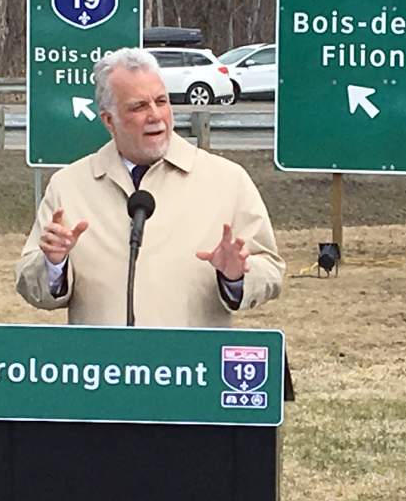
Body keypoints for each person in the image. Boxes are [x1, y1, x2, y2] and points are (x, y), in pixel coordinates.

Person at [16, 47, 284, 324]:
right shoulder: (69, 186)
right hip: (101, 363)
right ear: (109, 120)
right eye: (139, 106)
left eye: (161, 101)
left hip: (192, 363)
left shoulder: (227, 180)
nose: (155, 115)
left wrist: (236, 276)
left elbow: (271, 270)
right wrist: (54, 264)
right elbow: (29, 283)